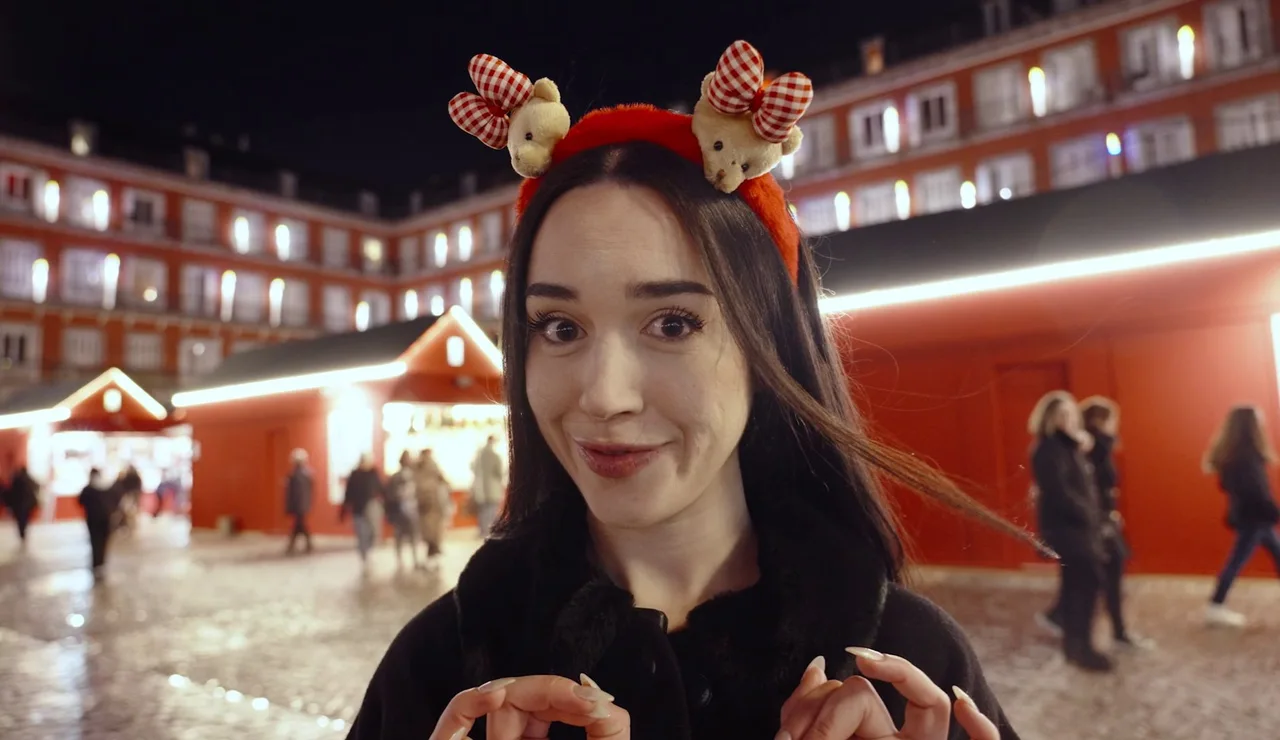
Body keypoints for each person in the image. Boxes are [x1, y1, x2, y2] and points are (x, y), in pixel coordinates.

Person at [348, 41, 1019, 739]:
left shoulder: (912, 675)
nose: (605, 397)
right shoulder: (437, 671)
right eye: (558, 326)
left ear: (770, 348)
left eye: (672, 323)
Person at [1038, 397, 1152, 650]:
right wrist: (1096, 515)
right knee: (1092, 577)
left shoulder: (1082, 445)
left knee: (1095, 575)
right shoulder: (1081, 447)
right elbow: (1073, 488)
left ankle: (1091, 630)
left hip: (1097, 520)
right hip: (1090, 523)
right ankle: (1088, 638)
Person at [1028, 391, 1112, 672]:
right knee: (1084, 586)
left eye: (1070, 414)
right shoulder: (1048, 449)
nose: (1067, 420)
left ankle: (1077, 646)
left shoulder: (1069, 446)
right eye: (1061, 415)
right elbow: (1060, 492)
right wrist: (1089, 515)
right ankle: (1080, 648)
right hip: (1070, 529)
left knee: (1081, 587)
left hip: (1081, 528)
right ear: (1049, 418)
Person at [1203, 405, 1280, 627]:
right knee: (1236, 562)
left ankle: (1216, 605)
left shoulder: (1235, 455)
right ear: (1250, 426)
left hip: (1252, 517)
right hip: (1255, 518)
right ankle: (1216, 605)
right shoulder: (1246, 456)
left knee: (1276, 554)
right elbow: (1256, 490)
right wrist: (1273, 511)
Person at [341, 454, 385, 568]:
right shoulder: (355, 475)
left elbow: (381, 488)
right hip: (358, 510)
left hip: (371, 509)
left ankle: (368, 551)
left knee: (372, 532)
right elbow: (348, 493)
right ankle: (364, 556)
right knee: (361, 534)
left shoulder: (373, 474)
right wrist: (343, 510)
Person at [386, 452, 424, 570]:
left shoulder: (415, 476)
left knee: (413, 535)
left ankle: (414, 559)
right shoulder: (396, 477)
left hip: (412, 509)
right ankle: (401, 559)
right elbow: (390, 494)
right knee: (400, 536)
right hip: (400, 511)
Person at [414, 448, 450, 567]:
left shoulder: (417, 467)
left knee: (429, 529)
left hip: (426, 503)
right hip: (432, 502)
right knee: (433, 529)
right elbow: (443, 479)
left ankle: (432, 550)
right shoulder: (431, 466)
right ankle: (433, 550)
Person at [78, 468, 114, 581]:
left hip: (93, 520)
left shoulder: (88, 489)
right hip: (105, 520)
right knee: (103, 542)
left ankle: (96, 563)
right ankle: (101, 563)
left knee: (95, 542)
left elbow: (80, 501)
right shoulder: (106, 488)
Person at [469, 435, 507, 539]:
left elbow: (472, 467)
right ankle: (490, 530)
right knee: (491, 510)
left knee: (482, 510)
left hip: (480, 488)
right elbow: (499, 472)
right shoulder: (494, 455)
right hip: (492, 488)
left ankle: (482, 531)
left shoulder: (479, 455)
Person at [284, 449, 314, 555]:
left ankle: (294, 545)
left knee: (299, 525)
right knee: (299, 525)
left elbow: (297, 493)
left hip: (299, 505)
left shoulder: (298, 474)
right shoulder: (306, 473)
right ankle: (305, 544)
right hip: (302, 505)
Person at [3, 466, 39, 546]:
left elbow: (11, 491)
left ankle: (22, 533)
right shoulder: (29, 479)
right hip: (27, 504)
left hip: (18, 505)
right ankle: (23, 532)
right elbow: (37, 486)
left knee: (20, 520)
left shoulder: (16, 479)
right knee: (25, 519)